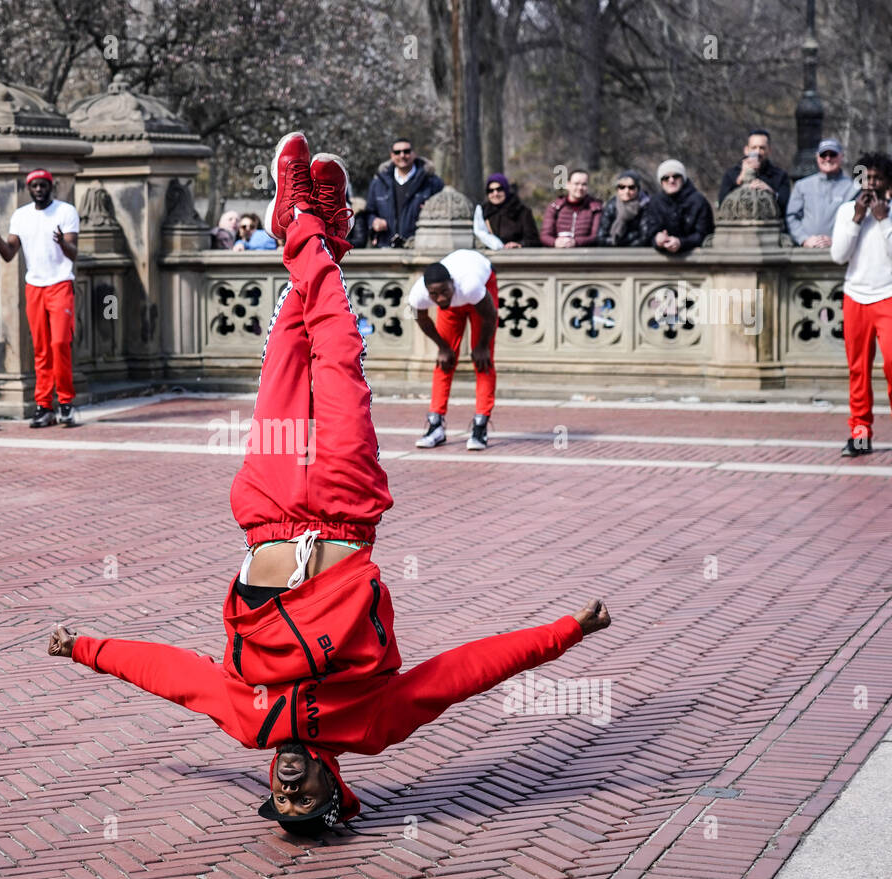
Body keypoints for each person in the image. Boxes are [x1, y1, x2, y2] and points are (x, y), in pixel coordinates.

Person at [47, 131, 613, 837]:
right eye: (304, 797)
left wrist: (87, 649)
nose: (287, 788)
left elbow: (175, 677)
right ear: (335, 787)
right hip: (346, 509)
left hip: (270, 509)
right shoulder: (368, 727)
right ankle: (313, 231)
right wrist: (565, 633)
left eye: (280, 801)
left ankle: (306, 229)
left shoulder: (250, 722)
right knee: (339, 349)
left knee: (289, 349)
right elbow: (463, 674)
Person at [0, 170, 81, 429]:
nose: (39, 190)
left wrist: (61, 243)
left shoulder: (65, 212)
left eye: (43, 186)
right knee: (41, 349)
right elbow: (9, 253)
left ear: (51, 187)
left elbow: (74, 253)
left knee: (59, 343)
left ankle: (66, 402)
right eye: (34, 186)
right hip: (35, 286)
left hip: (60, 284)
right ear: (28, 189)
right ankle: (44, 406)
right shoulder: (21, 216)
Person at [829, 152, 892, 458]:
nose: (871, 184)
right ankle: (860, 434)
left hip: (889, 295)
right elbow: (838, 255)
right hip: (856, 297)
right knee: (858, 369)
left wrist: (883, 220)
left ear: (888, 183)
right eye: (866, 178)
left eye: (877, 178)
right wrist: (856, 219)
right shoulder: (846, 212)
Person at [409, 250, 500, 451]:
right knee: (444, 360)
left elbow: (491, 315)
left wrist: (482, 346)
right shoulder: (417, 296)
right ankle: (436, 425)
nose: (440, 299)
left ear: (452, 283)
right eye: (434, 295)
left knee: (483, 361)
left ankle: (480, 426)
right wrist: (442, 347)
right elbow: (422, 320)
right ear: (427, 292)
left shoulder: (471, 286)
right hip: (455, 304)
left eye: (443, 292)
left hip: (483, 288)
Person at [365, 138, 444, 247]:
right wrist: (373, 221)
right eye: (397, 152)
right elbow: (369, 212)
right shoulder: (378, 183)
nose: (402, 155)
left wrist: (431, 211)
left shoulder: (432, 182)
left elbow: (442, 214)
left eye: (406, 151)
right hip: (385, 249)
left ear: (414, 154)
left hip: (420, 247)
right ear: (392, 156)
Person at [787, 139, 857, 248]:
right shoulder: (802, 186)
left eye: (832, 154)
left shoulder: (853, 188)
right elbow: (791, 217)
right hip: (807, 252)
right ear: (817, 157)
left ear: (841, 156)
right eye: (823, 155)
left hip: (840, 252)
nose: (828, 158)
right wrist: (804, 239)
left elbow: (857, 221)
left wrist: (837, 241)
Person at [643, 159, 714, 254]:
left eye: (676, 176)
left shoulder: (699, 201)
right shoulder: (655, 202)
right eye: (665, 178)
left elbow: (705, 234)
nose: (671, 180)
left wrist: (681, 243)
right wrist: (657, 240)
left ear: (683, 178)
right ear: (661, 182)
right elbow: (648, 233)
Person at [718, 128, 791, 215]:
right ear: (746, 150)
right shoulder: (731, 175)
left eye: (762, 148)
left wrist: (772, 193)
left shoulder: (780, 176)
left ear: (769, 150)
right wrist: (740, 179)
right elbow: (722, 204)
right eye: (754, 147)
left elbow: (787, 206)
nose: (757, 152)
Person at [473, 173, 539, 250]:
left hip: (516, 257)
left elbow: (533, 239)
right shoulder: (482, 212)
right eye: (490, 190)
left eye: (499, 189)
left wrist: (520, 244)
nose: (495, 193)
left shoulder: (521, 211)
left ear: (506, 189)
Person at [539, 170, 602, 248]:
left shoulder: (596, 208)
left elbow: (596, 237)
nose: (580, 187)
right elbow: (544, 235)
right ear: (568, 185)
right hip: (557, 256)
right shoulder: (555, 207)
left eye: (584, 184)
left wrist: (575, 242)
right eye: (576, 184)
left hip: (585, 256)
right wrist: (555, 242)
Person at [597, 170, 650, 247]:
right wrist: (615, 241)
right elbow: (601, 237)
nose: (626, 191)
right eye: (622, 187)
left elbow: (645, 237)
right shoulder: (611, 206)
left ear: (638, 189)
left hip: (637, 253)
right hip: (611, 252)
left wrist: (623, 241)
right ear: (617, 189)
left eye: (631, 187)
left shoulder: (645, 205)